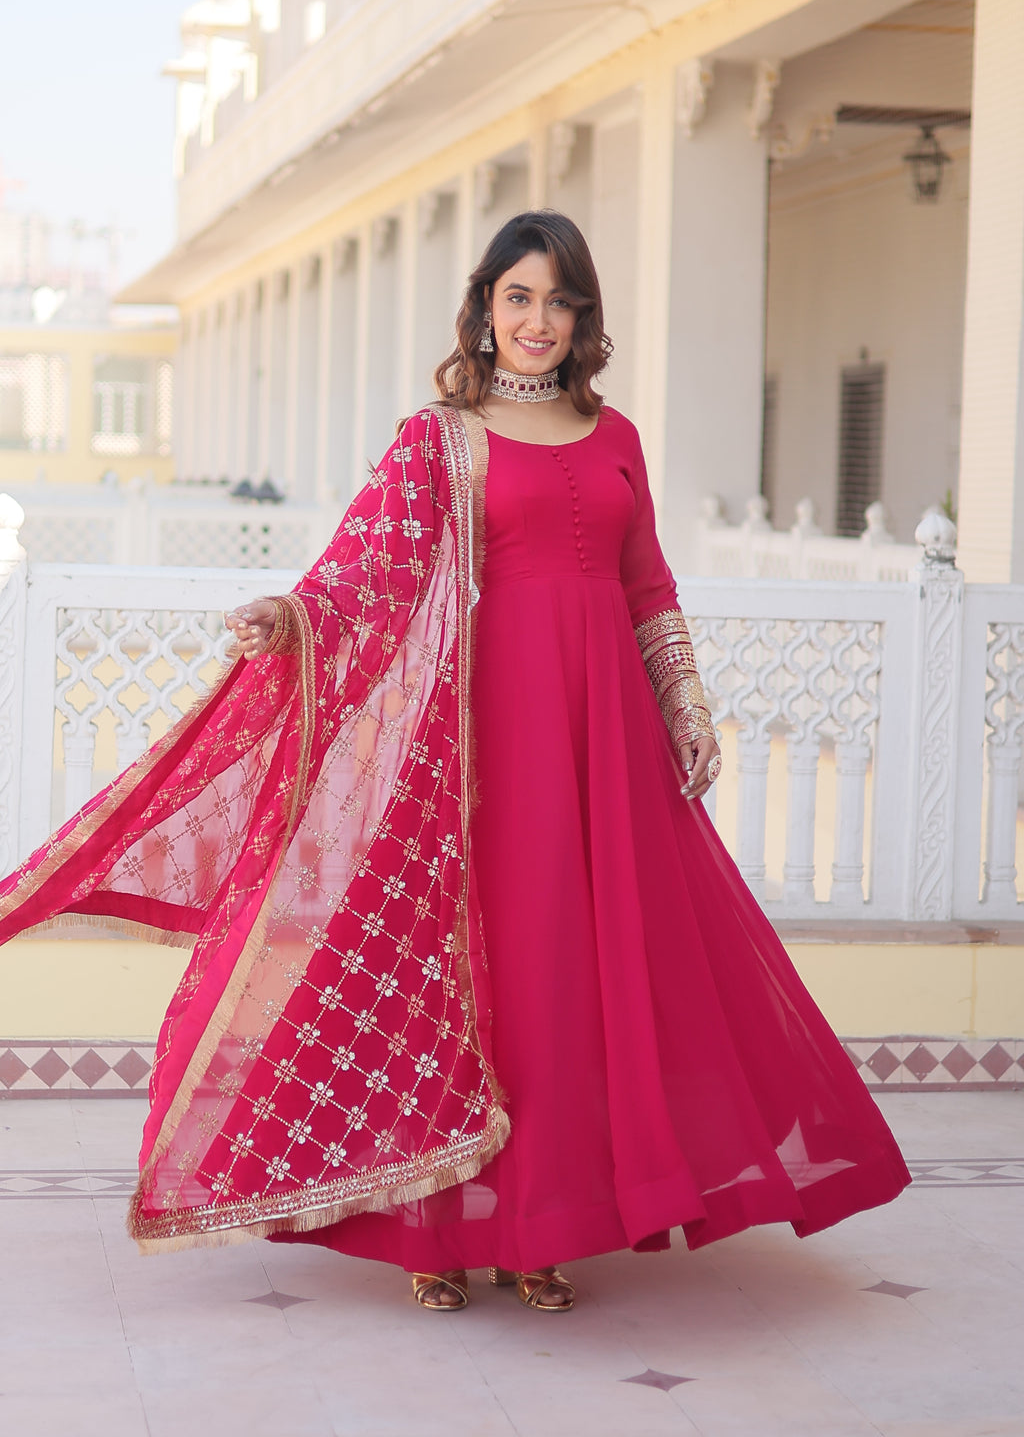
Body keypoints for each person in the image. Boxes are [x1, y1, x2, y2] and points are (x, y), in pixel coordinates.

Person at [0, 211, 910, 1315]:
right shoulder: (441, 437)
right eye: (517, 298)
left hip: (605, 743)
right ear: (484, 308)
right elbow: (364, 575)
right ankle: (434, 1230)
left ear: (584, 319)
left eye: (558, 301)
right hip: (486, 750)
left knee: (578, 978)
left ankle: (545, 1227)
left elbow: (647, 586)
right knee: (488, 972)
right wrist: (290, 616)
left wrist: (686, 705)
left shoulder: (613, 435)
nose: (537, 321)